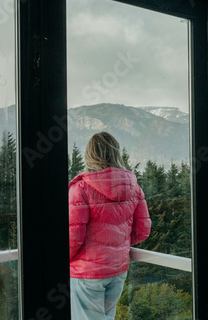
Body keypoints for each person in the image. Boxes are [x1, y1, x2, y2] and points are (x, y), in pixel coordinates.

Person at [68, 132, 151, 319]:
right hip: (117, 270)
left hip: (87, 273)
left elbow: (73, 237)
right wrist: (117, 245)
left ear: (90, 155)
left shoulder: (81, 188)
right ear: (116, 154)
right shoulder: (134, 187)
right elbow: (143, 230)